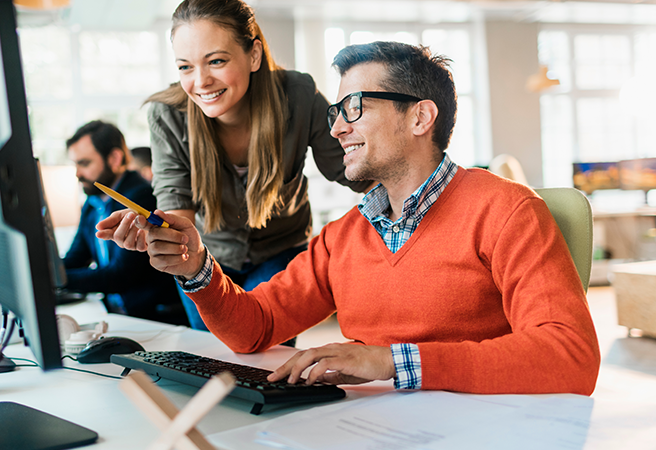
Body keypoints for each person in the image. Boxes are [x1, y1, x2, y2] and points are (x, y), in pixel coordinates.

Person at [107, 41, 601, 395]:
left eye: (355, 107)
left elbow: (569, 355)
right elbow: (254, 328)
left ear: (419, 117)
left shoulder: (506, 209)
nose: (338, 127)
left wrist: (389, 360)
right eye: (335, 112)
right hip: (374, 428)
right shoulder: (343, 238)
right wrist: (196, 267)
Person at [97, 0, 373, 333]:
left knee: (266, 362)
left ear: (254, 55)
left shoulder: (298, 96)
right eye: (185, 67)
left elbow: (355, 172)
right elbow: (176, 208)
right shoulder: (167, 114)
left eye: (216, 61)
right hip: (207, 258)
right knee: (214, 359)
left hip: (280, 252)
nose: (201, 81)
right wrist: (161, 236)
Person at [63, 120, 187, 326]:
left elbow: (120, 275)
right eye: (75, 164)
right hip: (117, 314)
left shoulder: (140, 197)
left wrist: (55, 280)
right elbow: (76, 257)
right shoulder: (93, 202)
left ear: (114, 158)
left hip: (154, 319)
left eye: (84, 163)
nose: (77, 173)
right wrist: (42, 272)